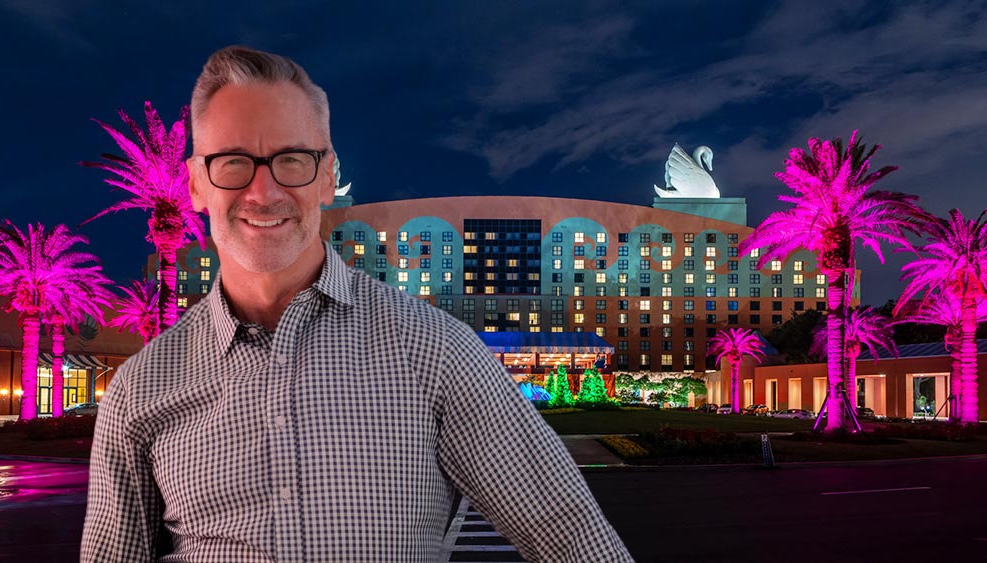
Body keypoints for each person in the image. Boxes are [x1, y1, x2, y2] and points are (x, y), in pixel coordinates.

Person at [81, 45, 634, 563]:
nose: (263, 192)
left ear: (327, 177)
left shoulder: (436, 351)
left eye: (291, 160)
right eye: (232, 162)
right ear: (197, 186)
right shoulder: (141, 389)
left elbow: (573, 536)